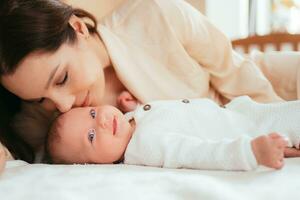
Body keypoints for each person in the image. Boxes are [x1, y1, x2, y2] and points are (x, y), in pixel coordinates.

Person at [0, 0, 286, 168]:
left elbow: (236, 73)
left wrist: (277, 131)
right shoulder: (39, 116)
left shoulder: (159, 15)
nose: (60, 106)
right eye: (39, 99)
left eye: (62, 78)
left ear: (78, 28)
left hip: (246, 105)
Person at [47, 91, 300, 171]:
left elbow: (164, 116)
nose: (100, 120)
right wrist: (250, 151)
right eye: (91, 136)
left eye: (92, 113)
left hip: (238, 113)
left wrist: (134, 108)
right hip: (247, 130)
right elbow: (197, 154)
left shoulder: (129, 124)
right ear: (95, 165)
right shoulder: (144, 147)